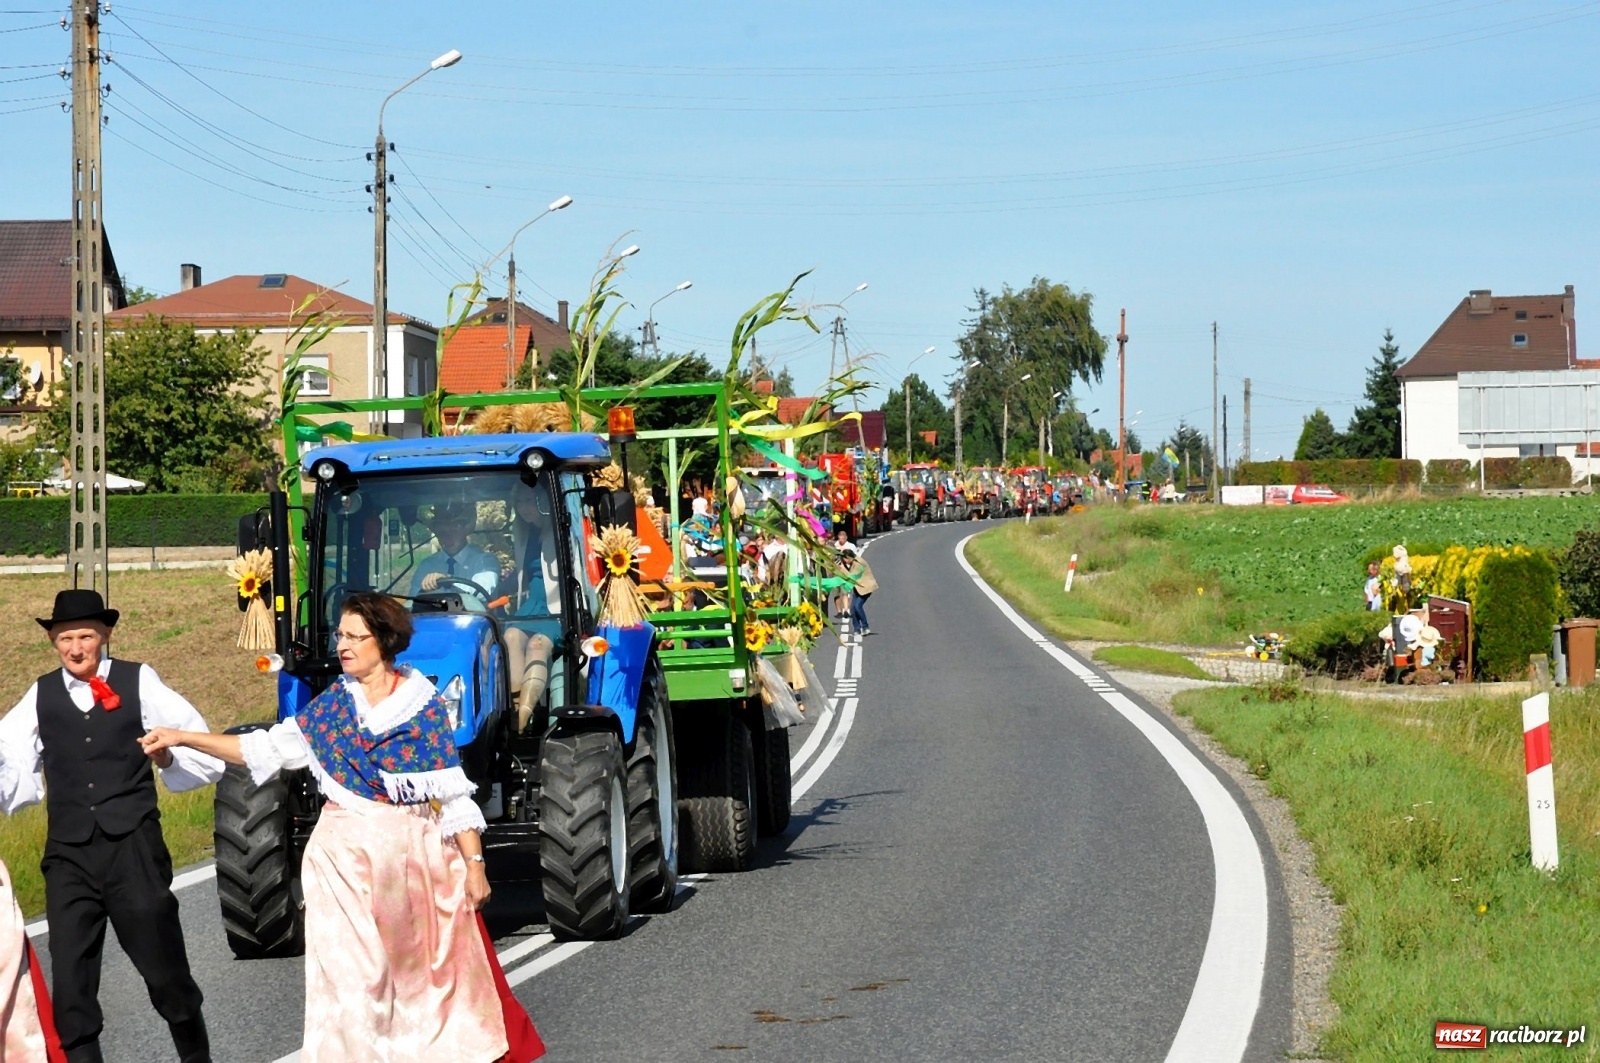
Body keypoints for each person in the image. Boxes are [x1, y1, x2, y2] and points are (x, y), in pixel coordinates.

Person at [140, 593, 541, 1063]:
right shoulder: (332, 707)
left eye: (354, 636)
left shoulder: (422, 706)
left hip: (414, 863)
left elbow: (451, 794)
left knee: (420, 987)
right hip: (341, 861)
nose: (342, 645)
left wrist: (475, 865)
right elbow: (264, 749)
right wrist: (184, 737)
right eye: (340, 635)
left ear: (384, 641)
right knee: (354, 980)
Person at [0, 589, 223, 1063]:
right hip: (68, 856)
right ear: (53, 641)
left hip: (133, 848)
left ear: (104, 635)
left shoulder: (138, 680)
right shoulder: (41, 694)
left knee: (165, 972)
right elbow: (10, 758)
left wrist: (167, 757)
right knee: (71, 984)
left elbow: (194, 742)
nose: (75, 648)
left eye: (84, 637)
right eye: (65, 639)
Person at [503, 482, 558, 732]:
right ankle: (515, 711)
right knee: (511, 637)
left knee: (537, 645)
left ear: (543, 501)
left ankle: (523, 721)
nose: (524, 508)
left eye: (529, 501)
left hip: (556, 605)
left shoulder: (559, 531)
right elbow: (521, 575)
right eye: (519, 502)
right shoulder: (524, 534)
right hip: (530, 605)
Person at [411, 503, 501, 600]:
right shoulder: (427, 565)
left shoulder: (484, 561)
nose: (447, 538)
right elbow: (412, 599)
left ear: (465, 531)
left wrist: (448, 581)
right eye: (442, 533)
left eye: (453, 531)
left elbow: (483, 592)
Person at [839, 544, 879, 636]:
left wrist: (842, 568)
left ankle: (865, 627)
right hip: (858, 588)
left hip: (865, 588)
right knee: (853, 608)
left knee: (857, 606)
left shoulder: (858, 563)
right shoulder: (853, 562)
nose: (844, 562)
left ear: (848, 558)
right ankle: (857, 629)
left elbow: (851, 577)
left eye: (844, 560)